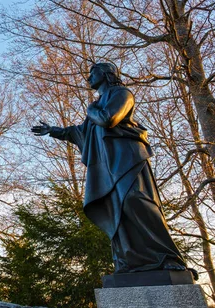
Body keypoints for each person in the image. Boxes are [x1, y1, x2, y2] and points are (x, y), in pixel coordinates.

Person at [31, 63, 188, 274]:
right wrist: (54, 131)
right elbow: (80, 131)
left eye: (91, 73)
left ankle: (168, 256)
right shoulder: (97, 105)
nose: (88, 78)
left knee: (136, 200)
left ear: (106, 74)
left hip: (127, 158)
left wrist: (91, 109)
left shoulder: (122, 93)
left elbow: (108, 119)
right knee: (118, 210)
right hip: (108, 166)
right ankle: (131, 261)